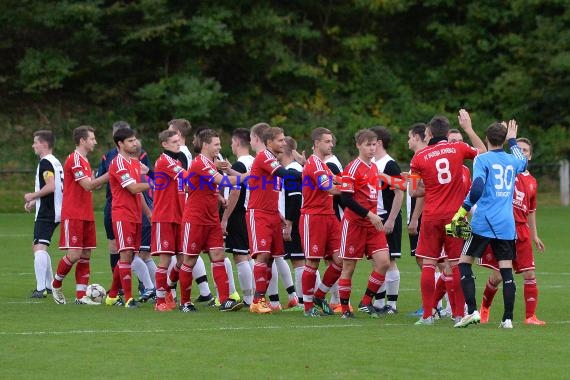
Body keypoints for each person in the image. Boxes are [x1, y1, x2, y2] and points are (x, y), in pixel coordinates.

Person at [409, 110, 486, 325]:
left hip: (432, 216)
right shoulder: (458, 148)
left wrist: (432, 188)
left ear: (429, 132)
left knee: (428, 264)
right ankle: (459, 315)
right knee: (456, 265)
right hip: (455, 217)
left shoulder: (419, 157)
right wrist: (468, 128)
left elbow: (413, 191)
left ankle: (427, 316)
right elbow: (483, 152)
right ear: (446, 132)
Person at [453, 120, 527, 328]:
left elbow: (476, 190)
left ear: (486, 139)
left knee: (464, 263)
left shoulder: (482, 159)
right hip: (506, 223)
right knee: (506, 270)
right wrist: (512, 139)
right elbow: (523, 161)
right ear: (503, 140)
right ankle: (508, 319)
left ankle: (472, 311)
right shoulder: (513, 161)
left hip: (483, 221)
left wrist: (461, 212)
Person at [478, 137, 546, 325]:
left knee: (530, 274)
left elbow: (531, 211)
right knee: (498, 276)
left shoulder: (532, 182)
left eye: (525, 151)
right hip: (503, 228)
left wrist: (535, 235)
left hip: (522, 231)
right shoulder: (508, 170)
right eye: (520, 149)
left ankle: (530, 316)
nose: (522, 152)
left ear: (530, 156)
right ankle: (484, 308)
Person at [178, 129, 243, 312]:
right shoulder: (200, 163)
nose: (219, 147)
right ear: (205, 145)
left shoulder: (211, 163)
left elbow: (203, 187)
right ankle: (185, 302)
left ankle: (224, 301)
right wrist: (246, 177)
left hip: (211, 219)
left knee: (218, 257)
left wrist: (218, 198)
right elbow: (222, 181)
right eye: (216, 144)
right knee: (189, 260)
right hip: (195, 219)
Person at [247, 124, 303, 314]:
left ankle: (262, 298)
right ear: (269, 142)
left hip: (271, 214)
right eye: (280, 139)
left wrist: (279, 215)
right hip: (259, 213)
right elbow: (286, 176)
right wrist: (308, 172)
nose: (284, 142)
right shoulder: (264, 156)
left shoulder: (273, 159)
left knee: (271, 258)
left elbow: (270, 189)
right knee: (262, 255)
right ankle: (257, 300)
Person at [51, 126, 109, 305]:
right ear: (82, 140)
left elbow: (91, 184)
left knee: (85, 254)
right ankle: (56, 283)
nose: (95, 142)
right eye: (92, 138)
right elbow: (87, 185)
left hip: (86, 213)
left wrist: (99, 179)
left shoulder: (84, 160)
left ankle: (80, 297)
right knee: (74, 254)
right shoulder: (74, 159)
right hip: (74, 213)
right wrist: (110, 175)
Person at [337, 129, 391, 319]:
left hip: (372, 225)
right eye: (368, 144)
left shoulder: (374, 167)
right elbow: (346, 199)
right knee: (349, 268)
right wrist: (370, 214)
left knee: (384, 262)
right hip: (354, 225)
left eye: (374, 144)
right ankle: (345, 310)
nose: (372, 148)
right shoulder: (352, 168)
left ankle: (366, 302)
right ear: (358, 145)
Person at [167, 119, 215, 305]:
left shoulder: (183, 155)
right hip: (189, 207)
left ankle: (170, 289)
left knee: (188, 253)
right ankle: (201, 291)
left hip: (187, 207)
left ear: (178, 134)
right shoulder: (186, 155)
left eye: (170, 131)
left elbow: (189, 182)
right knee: (188, 253)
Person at [104, 128, 152, 308]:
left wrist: (148, 213)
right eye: (131, 141)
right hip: (122, 214)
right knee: (125, 254)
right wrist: (155, 183)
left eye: (135, 140)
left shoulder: (134, 162)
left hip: (136, 215)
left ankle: (112, 295)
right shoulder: (118, 163)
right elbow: (132, 188)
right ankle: (129, 298)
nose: (135, 143)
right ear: (120, 144)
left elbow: (137, 194)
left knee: (130, 255)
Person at [300, 127, 344, 317]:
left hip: (329, 217)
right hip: (314, 217)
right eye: (327, 141)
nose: (331, 144)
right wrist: (353, 189)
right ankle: (308, 307)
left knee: (340, 260)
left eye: (331, 141)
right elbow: (330, 188)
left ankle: (319, 296)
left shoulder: (323, 165)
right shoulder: (314, 164)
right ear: (317, 143)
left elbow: (337, 180)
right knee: (312, 262)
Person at [365, 126, 404, 314]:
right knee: (377, 262)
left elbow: (400, 191)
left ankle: (392, 304)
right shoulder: (370, 164)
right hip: (373, 219)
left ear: (379, 143)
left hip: (387, 218)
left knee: (390, 261)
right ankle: (379, 303)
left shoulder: (389, 165)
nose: (370, 146)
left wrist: (391, 219)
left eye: (372, 142)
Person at [24, 130, 63, 298]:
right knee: (39, 245)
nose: (33, 145)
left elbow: (50, 186)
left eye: (35, 142)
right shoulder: (55, 161)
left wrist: (33, 195)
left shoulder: (46, 162)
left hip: (48, 212)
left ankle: (41, 289)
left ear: (44, 144)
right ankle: (47, 285)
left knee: (39, 248)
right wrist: (35, 201)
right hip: (55, 208)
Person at [151, 129, 186, 311]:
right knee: (165, 260)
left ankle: (169, 289)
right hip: (165, 216)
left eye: (179, 141)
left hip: (179, 216)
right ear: (164, 144)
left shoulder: (178, 161)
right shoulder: (164, 161)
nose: (178, 144)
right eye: (174, 142)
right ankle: (159, 301)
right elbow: (187, 176)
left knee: (183, 260)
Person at [267, 136, 302, 311]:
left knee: (300, 261)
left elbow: (295, 199)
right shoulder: (290, 169)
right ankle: (292, 299)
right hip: (287, 220)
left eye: (281, 144)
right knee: (278, 258)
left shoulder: (293, 170)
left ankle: (303, 301)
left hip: (294, 221)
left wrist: (289, 223)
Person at [221, 128, 255, 305]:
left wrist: (225, 218)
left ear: (236, 143)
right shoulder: (253, 161)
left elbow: (235, 192)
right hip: (251, 211)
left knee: (240, 256)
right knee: (248, 255)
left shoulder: (240, 165)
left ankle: (250, 299)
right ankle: (255, 296)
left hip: (239, 212)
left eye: (232, 143)